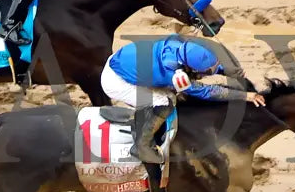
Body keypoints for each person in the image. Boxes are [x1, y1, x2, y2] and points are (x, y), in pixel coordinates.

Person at [101, 34, 265, 164]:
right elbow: (206, 91)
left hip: (125, 61)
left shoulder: (180, 44)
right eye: (205, 73)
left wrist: (223, 70)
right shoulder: (172, 74)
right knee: (165, 102)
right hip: (117, 81)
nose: (205, 76)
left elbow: (201, 66)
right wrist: (245, 96)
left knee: (173, 95)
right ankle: (142, 146)